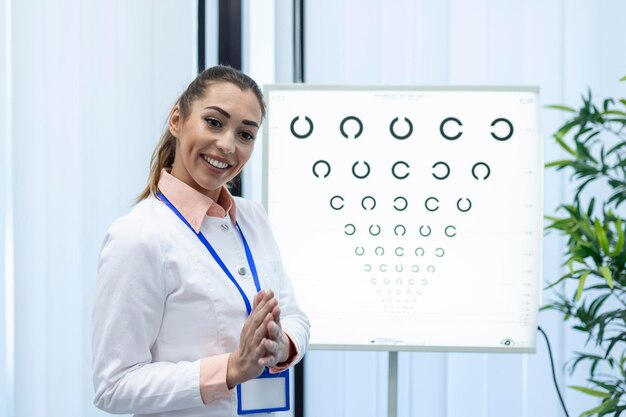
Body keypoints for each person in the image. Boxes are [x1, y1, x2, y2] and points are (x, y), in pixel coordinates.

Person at [92, 65, 310, 417]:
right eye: (214, 122)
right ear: (177, 120)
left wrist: (280, 343)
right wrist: (232, 369)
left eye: (245, 134)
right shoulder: (138, 236)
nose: (227, 145)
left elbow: (295, 315)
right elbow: (113, 387)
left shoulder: (253, 218)